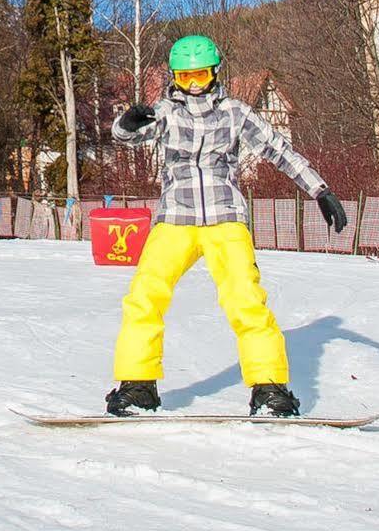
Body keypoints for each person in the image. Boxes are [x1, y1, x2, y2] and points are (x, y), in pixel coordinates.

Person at [106, 35, 349, 418]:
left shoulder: (235, 112)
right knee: (144, 296)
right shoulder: (167, 112)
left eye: (201, 75)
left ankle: (269, 389)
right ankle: (137, 386)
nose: (195, 85)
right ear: (175, 77)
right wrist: (126, 123)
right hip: (175, 219)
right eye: (186, 77)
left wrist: (319, 190)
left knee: (246, 300)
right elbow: (127, 138)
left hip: (225, 219)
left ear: (215, 72)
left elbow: (278, 149)